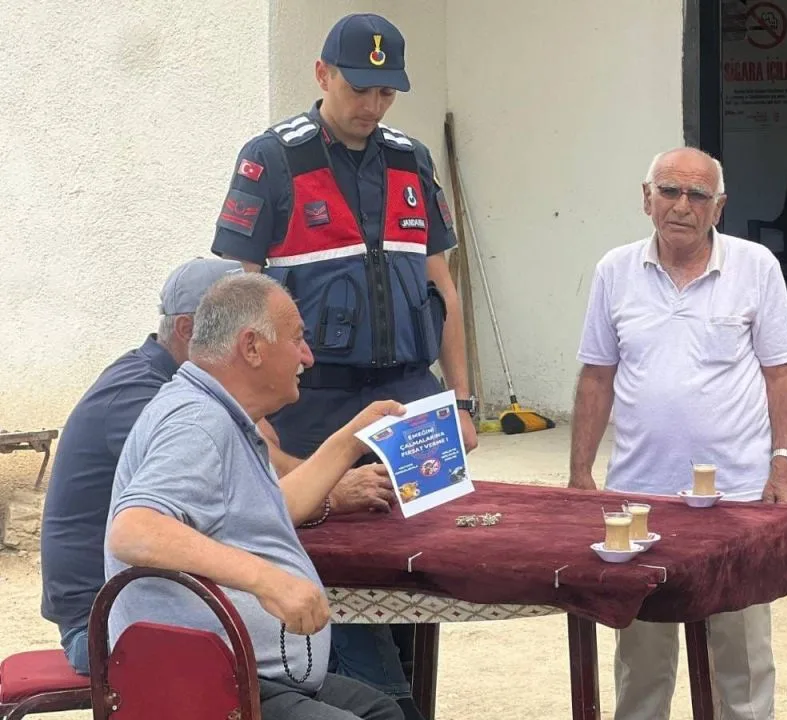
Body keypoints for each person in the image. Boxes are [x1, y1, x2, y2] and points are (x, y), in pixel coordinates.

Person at [209, 14, 472, 715]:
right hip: (314, 409)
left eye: (388, 93)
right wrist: (252, 423)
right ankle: (377, 706)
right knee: (337, 578)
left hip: (414, 403)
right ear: (322, 74)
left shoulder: (413, 159)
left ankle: (409, 702)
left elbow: (443, 287)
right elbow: (237, 298)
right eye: (361, 88)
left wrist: (464, 403)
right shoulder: (272, 160)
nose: (373, 105)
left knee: (425, 573)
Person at [39, 257, 394, 676]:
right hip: (116, 633)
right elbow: (135, 529)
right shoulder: (184, 412)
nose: (308, 356)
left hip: (174, 632)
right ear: (245, 345)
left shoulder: (204, 399)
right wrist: (271, 580)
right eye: (295, 338)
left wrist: (348, 441)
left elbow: (265, 504)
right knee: (357, 651)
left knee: (361, 685)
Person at [569, 147, 787, 720]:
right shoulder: (614, 270)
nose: (682, 206)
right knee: (643, 655)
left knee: (742, 656)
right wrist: (579, 475)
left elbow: (780, 373)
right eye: (669, 191)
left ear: (718, 208)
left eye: (698, 196)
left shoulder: (756, 267)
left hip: (738, 495)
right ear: (645, 198)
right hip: (640, 498)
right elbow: (597, 377)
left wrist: (783, 466)